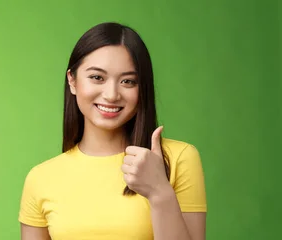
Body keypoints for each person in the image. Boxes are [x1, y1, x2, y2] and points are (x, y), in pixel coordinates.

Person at [18, 22, 207, 240]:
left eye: (128, 81)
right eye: (97, 77)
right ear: (72, 80)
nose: (111, 94)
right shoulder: (41, 178)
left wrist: (159, 192)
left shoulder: (177, 159)